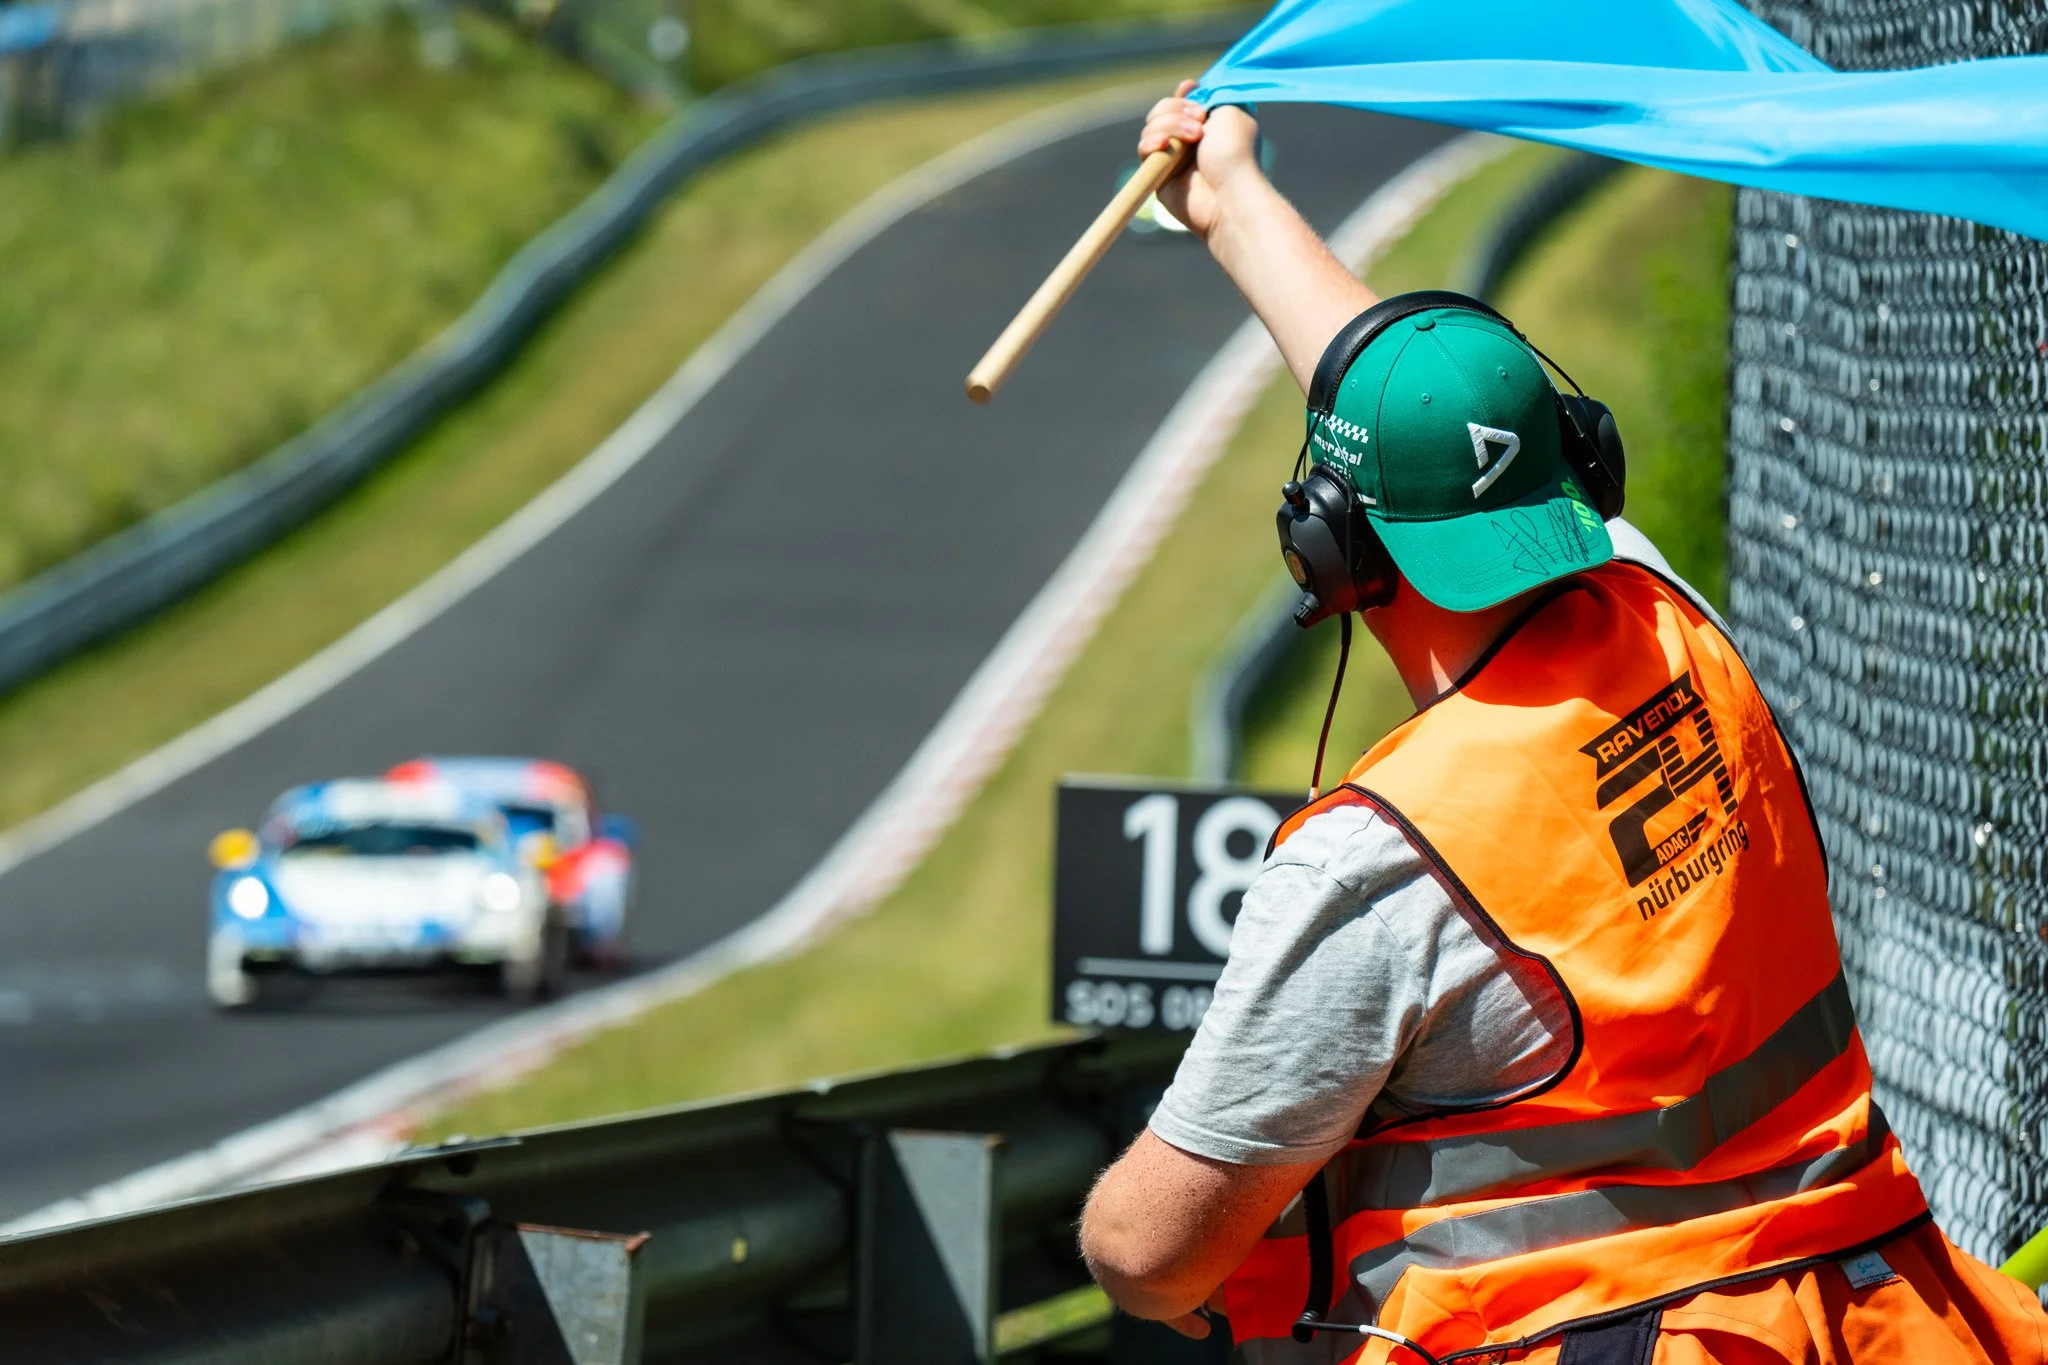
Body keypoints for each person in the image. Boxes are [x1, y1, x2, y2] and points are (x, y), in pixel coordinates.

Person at [1077, 86, 2048, 1365]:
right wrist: (1234, 205)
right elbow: (1433, 415)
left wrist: (1108, 1226)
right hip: (1853, 1315)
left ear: (1331, 549)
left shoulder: (1379, 860)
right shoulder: (1670, 624)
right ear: (1578, 469)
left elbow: (1152, 1256)